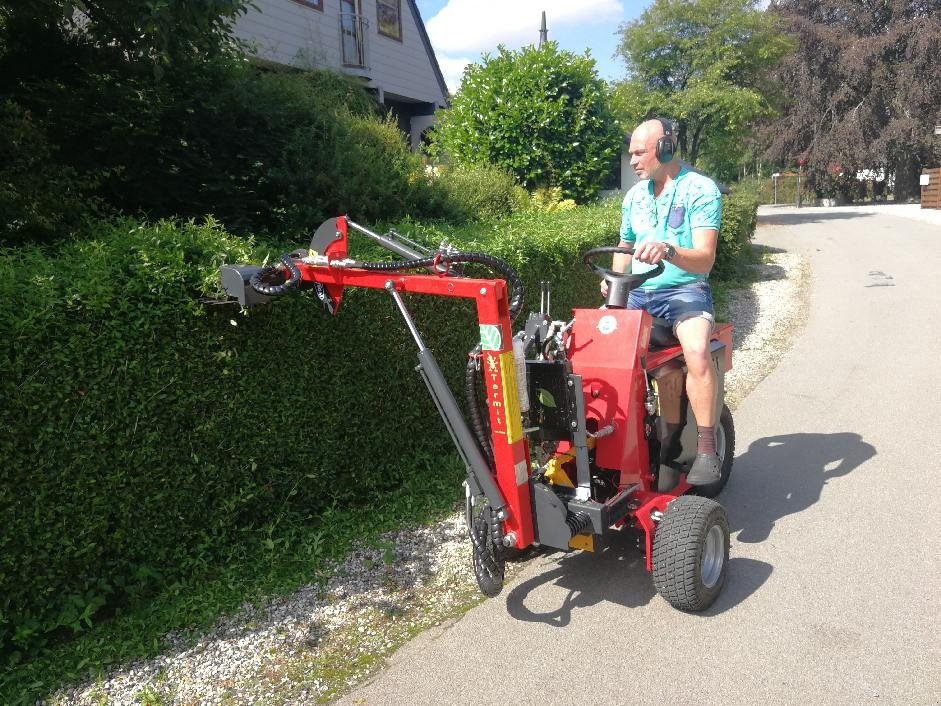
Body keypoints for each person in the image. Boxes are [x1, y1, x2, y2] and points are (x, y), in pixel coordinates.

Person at [602, 117, 724, 485]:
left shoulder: (700, 190)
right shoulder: (634, 196)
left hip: (686, 290)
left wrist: (668, 250)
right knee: (605, 353)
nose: (633, 161)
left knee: (697, 351)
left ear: (666, 148)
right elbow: (624, 248)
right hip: (639, 292)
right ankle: (653, 436)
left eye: (639, 153)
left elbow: (705, 258)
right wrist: (614, 282)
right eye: (631, 154)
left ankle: (705, 449)